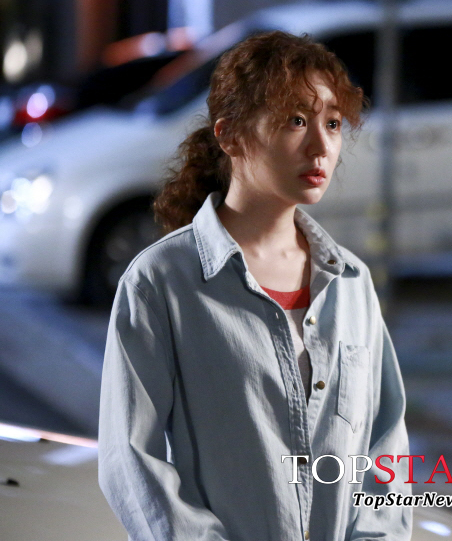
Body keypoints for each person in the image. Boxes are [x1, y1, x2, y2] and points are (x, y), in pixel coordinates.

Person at [97, 31, 412, 541]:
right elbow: (131, 461)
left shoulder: (350, 283)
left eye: (333, 123)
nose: (321, 146)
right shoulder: (161, 282)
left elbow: (386, 445)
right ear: (230, 136)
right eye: (296, 120)